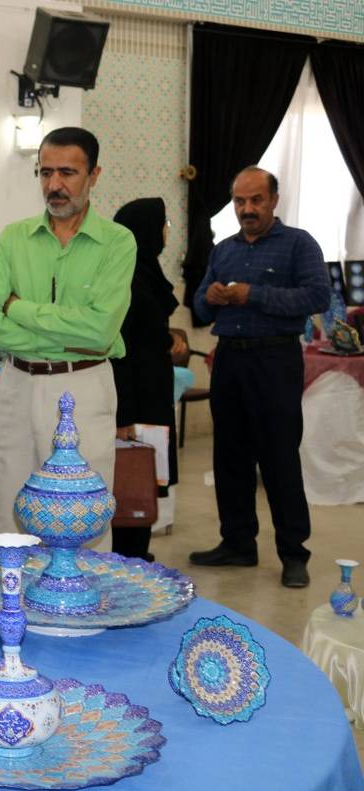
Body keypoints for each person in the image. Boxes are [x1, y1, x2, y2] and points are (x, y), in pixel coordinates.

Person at [0, 127, 135, 536]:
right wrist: (62, 337)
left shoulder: (117, 242)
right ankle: (12, 580)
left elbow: (99, 331)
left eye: (67, 173)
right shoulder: (14, 238)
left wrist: (18, 308)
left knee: (82, 516)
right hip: (16, 384)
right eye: (46, 173)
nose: (54, 185)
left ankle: (76, 583)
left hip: (83, 385)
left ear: (94, 175)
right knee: (8, 508)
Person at [190, 166, 330, 588]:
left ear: (273, 201)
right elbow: (200, 307)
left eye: (256, 200)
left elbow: (317, 296)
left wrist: (254, 294)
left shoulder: (299, 244)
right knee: (230, 457)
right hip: (229, 361)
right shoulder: (224, 251)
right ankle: (237, 544)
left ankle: (294, 553)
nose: (247, 209)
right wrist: (210, 296)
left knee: (279, 458)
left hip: (275, 361)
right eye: (240, 201)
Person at [108, 198, 181, 561]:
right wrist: (123, 418)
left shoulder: (144, 273)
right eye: (163, 223)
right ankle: (129, 557)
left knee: (145, 478)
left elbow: (146, 334)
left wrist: (166, 340)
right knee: (132, 479)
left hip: (151, 395)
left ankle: (137, 553)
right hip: (136, 404)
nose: (166, 230)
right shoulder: (130, 280)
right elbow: (121, 352)